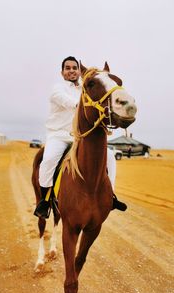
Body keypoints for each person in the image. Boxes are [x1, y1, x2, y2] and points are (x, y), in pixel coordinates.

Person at [34, 56, 126, 218]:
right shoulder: (57, 88)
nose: (71, 71)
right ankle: (45, 201)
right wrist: (80, 105)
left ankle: (110, 196)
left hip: (79, 137)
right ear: (62, 72)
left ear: (79, 71)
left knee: (110, 156)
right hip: (59, 136)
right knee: (49, 159)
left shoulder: (86, 89)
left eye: (74, 68)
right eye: (67, 68)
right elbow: (64, 101)